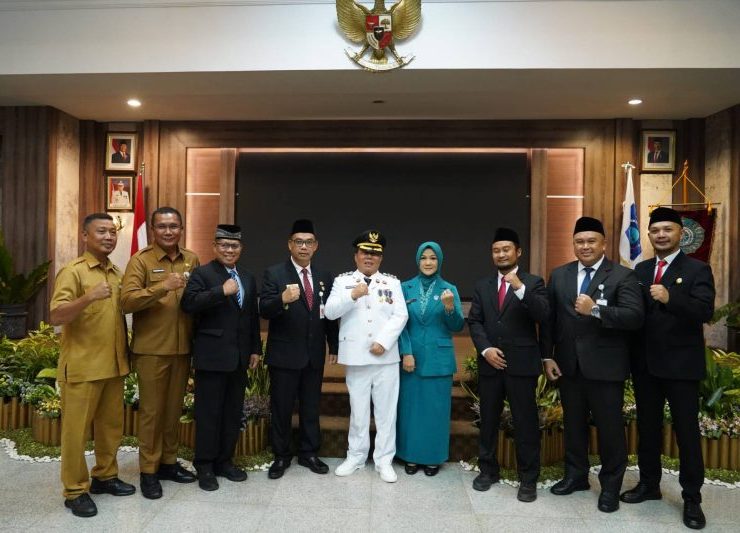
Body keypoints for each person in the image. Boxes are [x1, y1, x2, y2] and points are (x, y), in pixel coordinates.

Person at [541, 216, 643, 513]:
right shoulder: (559, 274)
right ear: (573, 244)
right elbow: (549, 320)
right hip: (568, 365)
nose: (585, 246)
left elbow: (635, 317)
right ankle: (576, 476)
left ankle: (610, 486)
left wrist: (596, 309)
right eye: (579, 241)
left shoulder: (623, 276)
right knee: (573, 425)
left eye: (591, 241)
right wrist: (547, 355)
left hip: (605, 368)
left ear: (604, 244)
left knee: (610, 430)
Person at [621, 207, 715, 530]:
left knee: (686, 433)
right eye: (655, 230)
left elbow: (704, 311)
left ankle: (692, 498)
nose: (661, 235)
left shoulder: (698, 269)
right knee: (648, 429)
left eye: (667, 230)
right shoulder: (641, 269)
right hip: (645, 366)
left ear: (680, 233)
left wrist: (669, 297)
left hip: (681, 367)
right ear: (648, 234)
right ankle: (649, 485)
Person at [49, 213, 135, 518]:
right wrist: (88, 297)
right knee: (76, 433)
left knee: (111, 428)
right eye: (101, 231)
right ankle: (74, 491)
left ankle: (105, 476)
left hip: (113, 365)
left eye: (112, 232)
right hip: (83, 367)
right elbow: (57, 316)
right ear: (85, 236)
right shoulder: (73, 272)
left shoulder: (117, 272)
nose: (109, 237)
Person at [121, 207, 199, 499]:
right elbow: (126, 302)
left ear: (181, 229)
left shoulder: (191, 259)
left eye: (174, 226)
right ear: (153, 230)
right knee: (152, 413)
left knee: (173, 410)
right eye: (163, 226)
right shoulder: (141, 260)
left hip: (182, 349)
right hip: (152, 350)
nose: (169, 231)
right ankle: (148, 471)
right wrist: (161, 287)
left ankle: (168, 462)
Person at [467, 228, 549, 502]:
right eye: (496, 250)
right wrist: (486, 349)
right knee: (488, 420)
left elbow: (543, 315)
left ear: (518, 252)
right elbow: (475, 321)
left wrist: (520, 289)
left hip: (522, 365)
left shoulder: (533, 283)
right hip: (490, 364)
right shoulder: (483, 285)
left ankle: (528, 478)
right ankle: (487, 470)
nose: (501, 254)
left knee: (525, 422)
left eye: (506, 249)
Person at [181, 224, 262, 491]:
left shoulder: (247, 277)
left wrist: (255, 349)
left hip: (239, 357)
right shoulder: (202, 273)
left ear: (241, 248)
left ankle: (225, 461)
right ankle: (204, 465)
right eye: (224, 245)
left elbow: (251, 317)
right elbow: (188, 304)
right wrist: (220, 292)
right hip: (212, 357)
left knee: (231, 413)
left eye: (234, 246)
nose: (229, 250)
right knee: (209, 414)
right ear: (214, 247)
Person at [324, 230, 408, 483]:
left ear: (381, 258)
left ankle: (384, 460)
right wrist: (352, 295)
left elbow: (401, 315)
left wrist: (384, 341)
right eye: (365, 252)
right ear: (356, 255)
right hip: (356, 357)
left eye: (375, 253)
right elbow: (330, 312)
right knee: (359, 412)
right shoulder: (343, 282)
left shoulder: (392, 283)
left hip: (386, 358)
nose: (369, 257)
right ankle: (356, 456)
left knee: (386, 413)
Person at [259, 219, 339, 480]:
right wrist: (281, 299)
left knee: (311, 406)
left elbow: (329, 314)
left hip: (313, 354)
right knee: (281, 408)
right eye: (299, 242)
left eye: (309, 242)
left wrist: (333, 344)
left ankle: (309, 453)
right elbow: (264, 309)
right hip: (284, 355)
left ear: (316, 246)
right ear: (290, 245)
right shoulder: (274, 273)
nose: (304, 247)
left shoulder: (325, 275)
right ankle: (281, 456)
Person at [396, 241, 464, 477]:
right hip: (411, 359)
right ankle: (410, 456)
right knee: (410, 409)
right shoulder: (405, 287)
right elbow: (399, 323)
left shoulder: (449, 289)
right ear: (417, 260)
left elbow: (457, 325)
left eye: (433, 258)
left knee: (436, 411)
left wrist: (449, 308)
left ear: (440, 261)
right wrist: (406, 352)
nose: (428, 262)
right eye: (424, 257)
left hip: (438, 360)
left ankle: (433, 457)